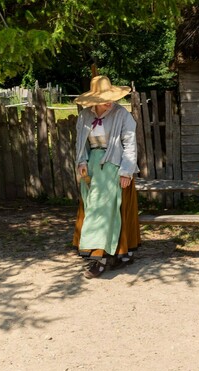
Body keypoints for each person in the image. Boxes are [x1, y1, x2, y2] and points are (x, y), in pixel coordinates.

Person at [72, 75, 141, 279]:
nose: (109, 101)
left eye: (110, 97)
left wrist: (127, 171)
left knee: (104, 211)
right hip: (92, 168)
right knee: (93, 208)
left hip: (114, 166)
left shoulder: (122, 115)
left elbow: (130, 144)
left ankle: (99, 260)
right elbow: (80, 141)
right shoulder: (85, 116)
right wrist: (82, 161)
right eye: (103, 98)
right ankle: (118, 254)